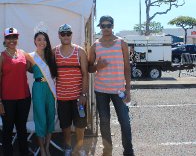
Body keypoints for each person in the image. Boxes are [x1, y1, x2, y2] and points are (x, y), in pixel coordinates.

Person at [88, 15, 134, 156]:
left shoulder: (121, 43)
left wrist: (128, 89)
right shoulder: (95, 46)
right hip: (101, 90)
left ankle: (128, 151)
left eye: (109, 25)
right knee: (104, 122)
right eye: (103, 25)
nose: (106, 28)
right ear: (100, 27)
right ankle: (107, 150)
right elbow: (89, 68)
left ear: (113, 26)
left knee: (125, 121)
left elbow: (127, 67)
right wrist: (97, 66)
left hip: (119, 89)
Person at [54, 24, 88, 156]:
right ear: (59, 35)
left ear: (71, 35)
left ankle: (80, 147)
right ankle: (68, 147)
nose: (66, 36)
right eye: (63, 34)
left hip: (78, 97)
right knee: (65, 125)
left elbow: (85, 73)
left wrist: (83, 94)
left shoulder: (80, 51)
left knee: (80, 125)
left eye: (68, 33)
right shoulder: (54, 51)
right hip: (62, 97)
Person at [0, 27, 31, 156]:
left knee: (22, 129)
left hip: (24, 98)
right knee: (7, 131)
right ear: (5, 40)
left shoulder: (23, 53)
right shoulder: (1, 56)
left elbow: (33, 68)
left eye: (14, 37)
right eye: (9, 38)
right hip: (7, 100)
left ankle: (24, 153)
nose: (12, 40)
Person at [26, 31, 57, 156]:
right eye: (39, 39)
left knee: (50, 117)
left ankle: (47, 146)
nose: (42, 42)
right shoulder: (30, 56)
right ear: (35, 41)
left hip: (50, 89)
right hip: (38, 88)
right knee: (40, 118)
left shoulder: (51, 56)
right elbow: (26, 68)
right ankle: (42, 150)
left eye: (44, 39)